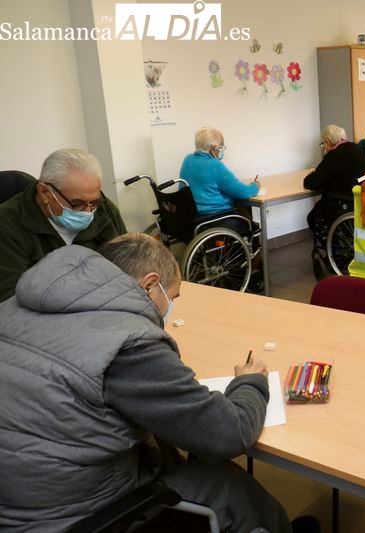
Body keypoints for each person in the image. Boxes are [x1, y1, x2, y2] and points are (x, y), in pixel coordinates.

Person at [0, 233, 319, 533]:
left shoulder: (15, 306)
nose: (171, 307)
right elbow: (229, 434)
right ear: (150, 286)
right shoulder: (127, 344)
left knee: (168, 448)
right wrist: (250, 383)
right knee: (228, 484)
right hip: (74, 518)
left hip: (16, 503)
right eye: (173, 295)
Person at [0, 148, 126, 303]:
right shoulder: (6, 225)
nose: (88, 212)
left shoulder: (105, 210)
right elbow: (12, 299)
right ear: (45, 193)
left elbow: (127, 267)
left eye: (94, 202)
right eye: (77, 204)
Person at [304, 125, 365, 278]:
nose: (323, 148)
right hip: (359, 201)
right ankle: (339, 250)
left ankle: (333, 252)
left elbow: (312, 183)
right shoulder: (356, 149)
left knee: (313, 217)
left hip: (340, 203)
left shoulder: (333, 156)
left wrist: (311, 174)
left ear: (327, 142)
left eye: (322, 145)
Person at [180, 127, 261, 218]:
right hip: (216, 218)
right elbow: (243, 192)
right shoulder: (214, 165)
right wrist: (255, 186)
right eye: (221, 147)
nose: (222, 150)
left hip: (192, 219)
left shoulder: (188, 159)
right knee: (248, 214)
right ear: (213, 148)